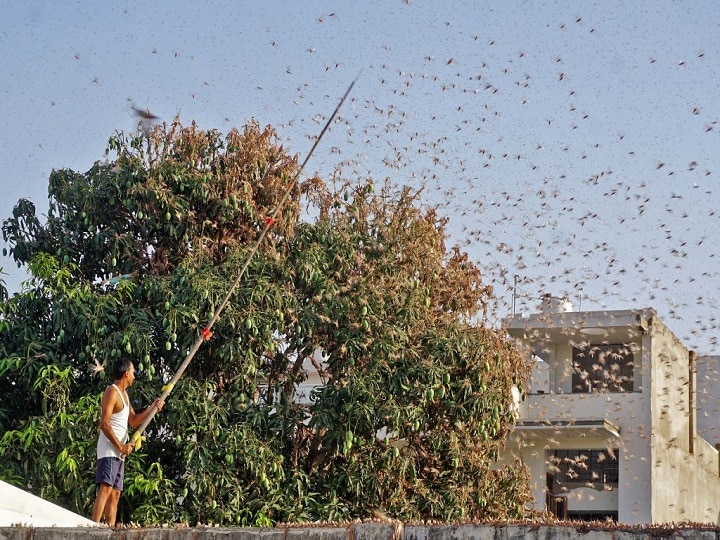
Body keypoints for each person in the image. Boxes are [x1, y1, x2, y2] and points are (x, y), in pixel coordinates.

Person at [91, 358, 164, 527]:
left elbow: (133, 421)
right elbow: (104, 423)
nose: (134, 376)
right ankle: (93, 529)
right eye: (133, 373)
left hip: (119, 452)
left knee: (116, 493)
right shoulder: (112, 391)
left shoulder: (125, 396)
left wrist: (152, 408)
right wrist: (120, 446)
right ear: (126, 374)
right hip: (109, 450)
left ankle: (110, 528)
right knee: (106, 488)